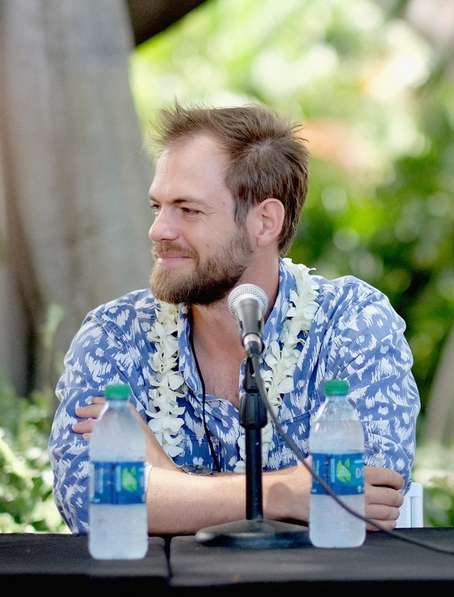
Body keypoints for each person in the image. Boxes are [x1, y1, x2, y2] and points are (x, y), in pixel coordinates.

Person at [49, 104, 420, 534]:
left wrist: (166, 482)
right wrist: (285, 494)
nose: (159, 230)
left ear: (264, 222)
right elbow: (88, 503)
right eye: (157, 207)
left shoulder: (352, 324)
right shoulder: (115, 336)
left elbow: (366, 502)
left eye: (188, 210)